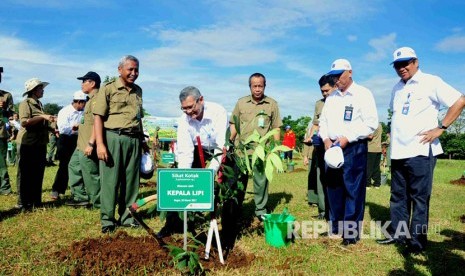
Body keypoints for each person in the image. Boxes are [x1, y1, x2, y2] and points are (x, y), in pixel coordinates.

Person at [377, 47, 465, 254]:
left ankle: (416, 242)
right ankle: (398, 236)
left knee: (419, 198)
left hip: (420, 151)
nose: (402, 68)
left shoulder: (430, 81)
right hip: (398, 151)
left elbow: (459, 100)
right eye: (397, 65)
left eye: (406, 63)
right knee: (398, 196)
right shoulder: (396, 88)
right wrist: (390, 136)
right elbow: (396, 115)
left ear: (416, 62)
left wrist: (441, 128)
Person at [319, 59, 378, 245]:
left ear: (350, 72)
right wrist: (327, 139)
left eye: (339, 75)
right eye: (333, 76)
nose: (336, 80)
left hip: (353, 147)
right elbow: (323, 122)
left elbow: (370, 123)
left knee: (353, 189)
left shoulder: (363, 94)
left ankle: (350, 234)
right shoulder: (332, 98)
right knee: (334, 188)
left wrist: (347, 138)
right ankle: (336, 226)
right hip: (332, 148)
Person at [157, 86, 228, 238]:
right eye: (184, 109)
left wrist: (211, 173)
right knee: (179, 184)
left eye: (190, 107)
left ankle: (228, 230)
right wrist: (184, 177)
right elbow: (185, 152)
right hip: (197, 148)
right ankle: (172, 224)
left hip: (219, 149)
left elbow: (221, 146)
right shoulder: (184, 120)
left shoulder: (218, 112)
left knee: (230, 183)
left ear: (201, 100)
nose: (188, 112)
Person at [94, 55, 149, 233]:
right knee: (110, 181)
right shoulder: (108, 89)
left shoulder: (138, 91)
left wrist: (142, 141)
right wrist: (100, 144)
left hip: (133, 139)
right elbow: (98, 118)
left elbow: (138, 118)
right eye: (130, 69)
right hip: (113, 138)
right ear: (120, 70)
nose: (134, 73)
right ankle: (107, 221)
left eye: (136, 70)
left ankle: (127, 217)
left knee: (132, 182)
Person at [229, 72, 283, 220]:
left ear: (265, 86)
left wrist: (275, 149)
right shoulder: (241, 103)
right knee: (239, 182)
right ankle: (236, 209)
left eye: (260, 86)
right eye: (255, 86)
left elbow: (276, 128)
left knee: (261, 182)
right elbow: (234, 123)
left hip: (262, 151)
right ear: (250, 87)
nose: (257, 89)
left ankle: (260, 210)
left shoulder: (272, 104)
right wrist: (229, 142)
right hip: (242, 151)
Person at [16, 78, 56, 210]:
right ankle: (23, 203)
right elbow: (24, 123)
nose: (43, 90)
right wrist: (42, 116)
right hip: (28, 143)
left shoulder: (39, 103)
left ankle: (35, 201)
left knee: (38, 172)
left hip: (40, 143)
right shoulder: (25, 103)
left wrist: (52, 129)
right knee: (26, 173)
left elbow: (41, 124)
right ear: (33, 91)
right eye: (40, 88)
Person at [66, 72, 102, 207]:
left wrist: (91, 143)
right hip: (81, 144)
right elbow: (88, 121)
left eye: (84, 81)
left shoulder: (97, 99)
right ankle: (80, 197)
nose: (81, 84)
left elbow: (98, 123)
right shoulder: (89, 100)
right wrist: (79, 125)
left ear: (92, 83)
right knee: (74, 167)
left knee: (91, 174)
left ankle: (99, 203)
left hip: (88, 144)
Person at [305, 74, 336, 220]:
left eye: (327, 90)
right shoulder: (319, 104)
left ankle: (334, 211)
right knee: (321, 178)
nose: (324, 93)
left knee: (334, 180)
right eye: (322, 91)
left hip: (336, 147)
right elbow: (316, 124)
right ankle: (323, 211)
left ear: (335, 87)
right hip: (320, 147)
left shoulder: (341, 102)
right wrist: (310, 137)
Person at [50, 90, 87, 200]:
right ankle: (57, 189)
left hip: (79, 139)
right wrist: (77, 128)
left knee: (80, 166)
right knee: (64, 166)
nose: (84, 105)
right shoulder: (64, 111)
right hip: (66, 140)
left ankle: (78, 190)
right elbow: (63, 129)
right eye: (83, 103)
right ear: (78, 102)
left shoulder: (84, 111)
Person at [0, 87, 14, 195]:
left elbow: (10, 116)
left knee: (2, 162)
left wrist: (5, 109)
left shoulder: (7, 95)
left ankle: (4, 188)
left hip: (1, 133)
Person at [366, 123, 382, 189]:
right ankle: (377, 183)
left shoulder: (373, 125)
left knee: (369, 167)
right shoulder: (380, 125)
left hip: (371, 148)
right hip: (378, 148)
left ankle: (367, 183)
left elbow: (370, 136)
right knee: (376, 167)